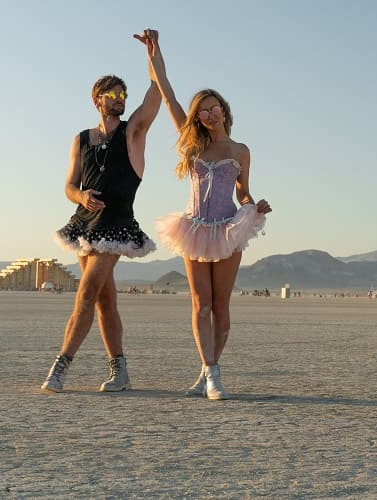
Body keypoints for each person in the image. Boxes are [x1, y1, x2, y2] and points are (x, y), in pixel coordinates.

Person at [145, 29, 271, 400]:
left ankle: (208, 366)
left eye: (215, 107)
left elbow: (242, 190)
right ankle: (212, 374)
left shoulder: (240, 150)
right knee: (200, 304)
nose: (211, 113)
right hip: (194, 227)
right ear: (198, 117)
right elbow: (166, 92)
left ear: (224, 110)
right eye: (204, 110)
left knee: (220, 305)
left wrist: (254, 205)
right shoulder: (192, 143)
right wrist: (154, 53)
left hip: (229, 227)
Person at [41, 29, 163, 394]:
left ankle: (60, 366)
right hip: (84, 224)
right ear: (97, 99)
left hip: (117, 224)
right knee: (105, 300)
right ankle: (120, 372)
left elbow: (155, 96)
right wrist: (80, 198)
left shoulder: (133, 133)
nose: (121, 99)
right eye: (114, 94)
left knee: (87, 293)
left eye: (124, 94)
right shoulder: (82, 139)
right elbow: (68, 186)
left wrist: (154, 55)